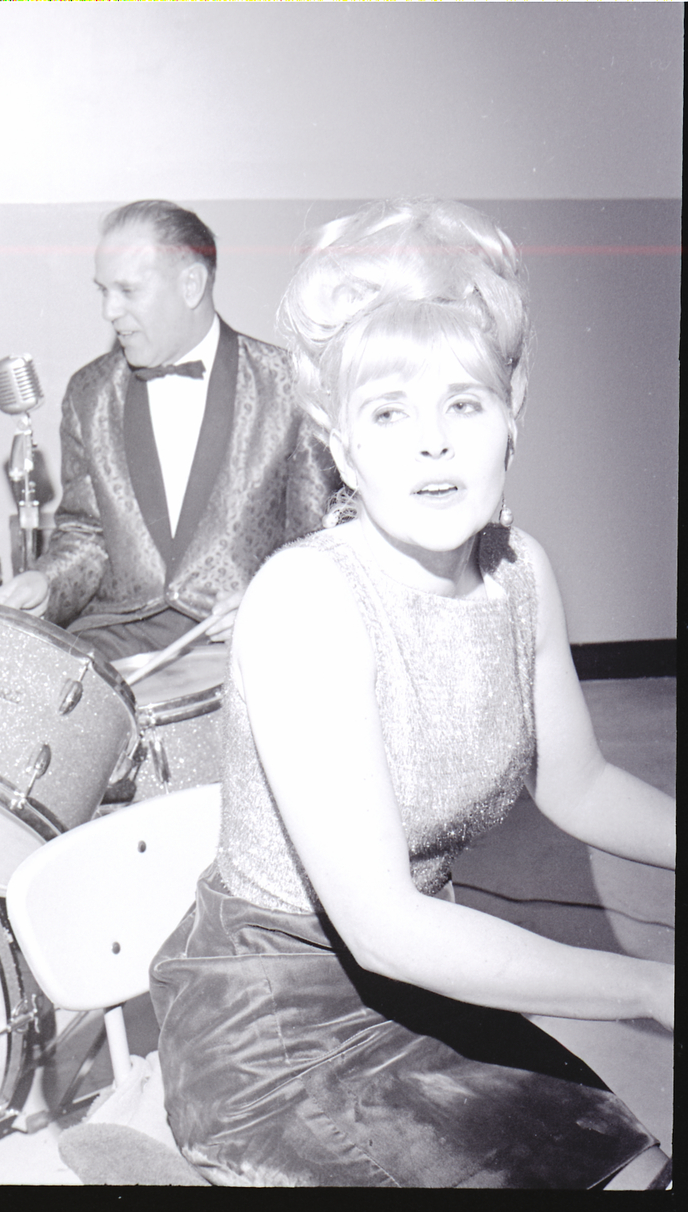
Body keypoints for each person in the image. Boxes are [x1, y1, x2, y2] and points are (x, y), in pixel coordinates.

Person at [147, 199, 675, 1188]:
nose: (430, 443)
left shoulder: (520, 572)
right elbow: (383, 927)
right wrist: (649, 988)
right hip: (272, 1027)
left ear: (512, 414)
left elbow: (580, 786)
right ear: (341, 446)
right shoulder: (306, 600)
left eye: (462, 404)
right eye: (387, 411)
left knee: (635, 1166)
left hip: (427, 975)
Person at [0, 200, 337, 659]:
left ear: (191, 285)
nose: (109, 310)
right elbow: (85, 534)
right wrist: (45, 583)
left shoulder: (291, 386)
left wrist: (271, 602)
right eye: (103, 291)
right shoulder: (89, 394)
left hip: (243, 643)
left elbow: (319, 543)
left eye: (127, 290)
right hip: (116, 639)